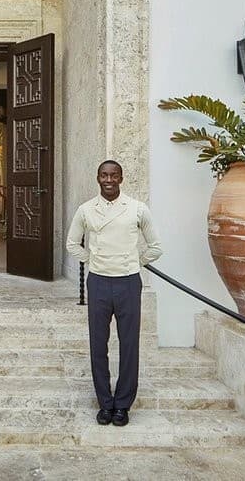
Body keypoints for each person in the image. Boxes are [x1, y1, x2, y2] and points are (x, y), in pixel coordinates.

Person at [65, 159, 162, 427]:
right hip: (98, 281)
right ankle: (104, 403)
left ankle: (123, 405)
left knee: (129, 345)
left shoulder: (137, 209)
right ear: (98, 178)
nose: (109, 180)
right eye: (104, 175)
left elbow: (155, 247)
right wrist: (91, 259)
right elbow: (72, 243)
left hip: (128, 282)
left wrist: (134, 261)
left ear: (121, 178)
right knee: (98, 344)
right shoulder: (86, 210)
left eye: (114, 175)